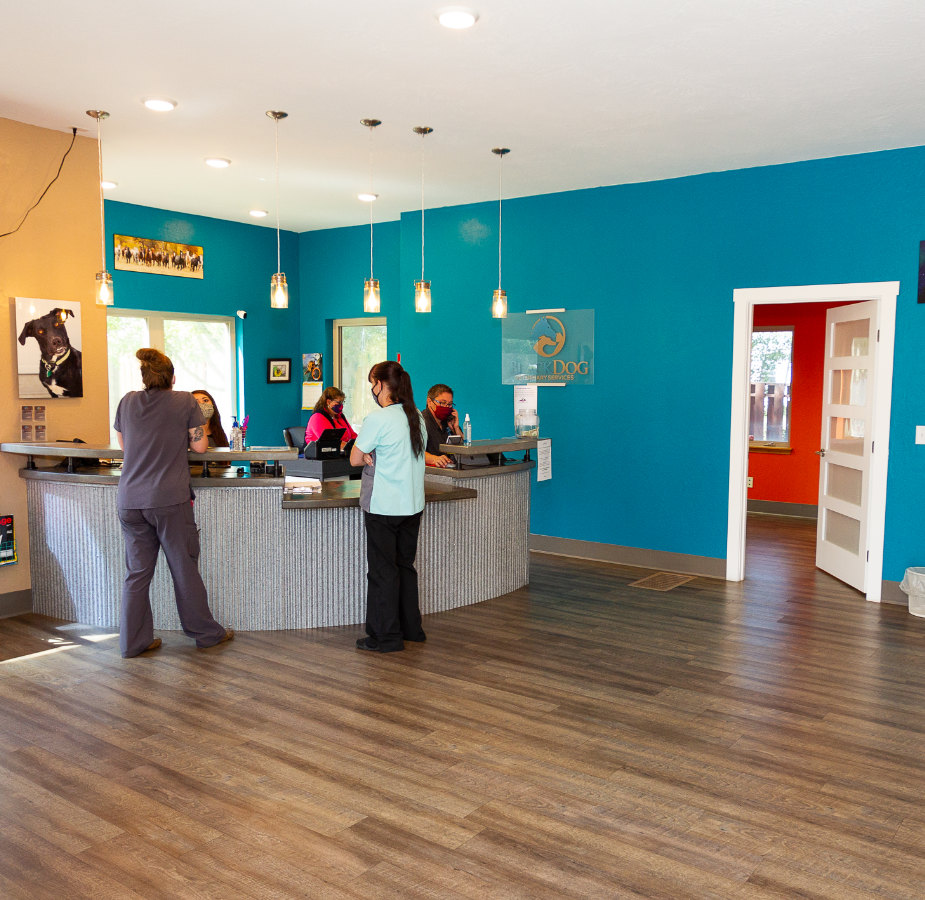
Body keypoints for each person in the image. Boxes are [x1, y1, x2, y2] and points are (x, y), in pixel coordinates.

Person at [113, 348, 234, 658]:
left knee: (137, 574)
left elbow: (124, 445)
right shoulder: (184, 401)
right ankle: (206, 633)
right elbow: (202, 447)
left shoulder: (127, 400)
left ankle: (133, 642)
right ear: (172, 378)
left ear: (144, 378)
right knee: (184, 568)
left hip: (129, 500)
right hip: (168, 499)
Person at [349, 360, 426, 652]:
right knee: (405, 567)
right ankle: (411, 630)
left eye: (372, 383)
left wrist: (369, 455)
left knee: (383, 571)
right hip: (412, 505)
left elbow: (356, 458)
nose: (372, 388)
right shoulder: (416, 416)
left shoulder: (379, 419)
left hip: (383, 506)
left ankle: (385, 636)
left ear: (381, 385)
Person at [421, 383, 463, 468]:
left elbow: (465, 447)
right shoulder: (420, 422)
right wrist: (434, 459)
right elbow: (413, 451)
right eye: (442, 403)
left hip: (450, 469)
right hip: (430, 473)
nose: (446, 407)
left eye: (449, 404)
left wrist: (456, 428)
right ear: (429, 402)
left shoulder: (448, 421)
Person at [306, 386, 357, 450]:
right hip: (318, 455)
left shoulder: (340, 416)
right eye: (338, 402)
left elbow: (353, 435)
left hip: (341, 453)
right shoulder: (317, 417)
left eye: (342, 402)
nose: (341, 405)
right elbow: (330, 442)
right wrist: (355, 449)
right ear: (328, 402)